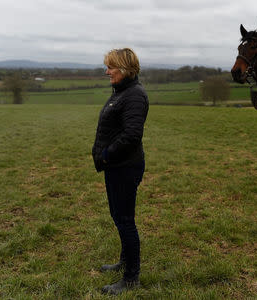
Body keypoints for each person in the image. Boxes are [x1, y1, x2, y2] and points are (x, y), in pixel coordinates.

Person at [92, 48, 149, 296]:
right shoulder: (123, 92)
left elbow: (132, 135)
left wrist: (106, 155)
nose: (107, 72)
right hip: (116, 167)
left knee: (125, 221)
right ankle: (125, 262)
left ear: (125, 70)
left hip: (124, 167)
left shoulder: (134, 95)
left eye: (111, 68)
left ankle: (131, 278)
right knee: (119, 216)